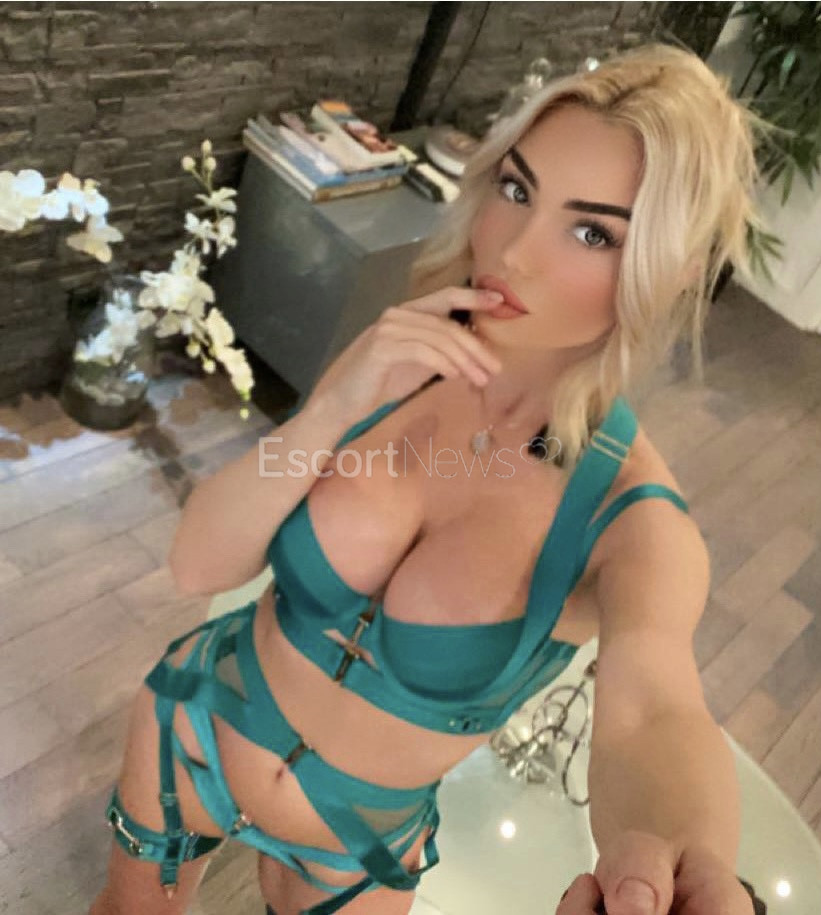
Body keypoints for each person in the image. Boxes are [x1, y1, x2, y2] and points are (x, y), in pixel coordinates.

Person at [91, 43, 761, 915]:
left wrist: (678, 855)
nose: (512, 251)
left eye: (592, 231)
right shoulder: (403, 357)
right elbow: (196, 566)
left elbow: (653, 711)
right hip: (193, 724)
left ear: (669, 268)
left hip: (358, 842)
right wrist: (329, 411)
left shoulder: (634, 523)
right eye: (516, 190)